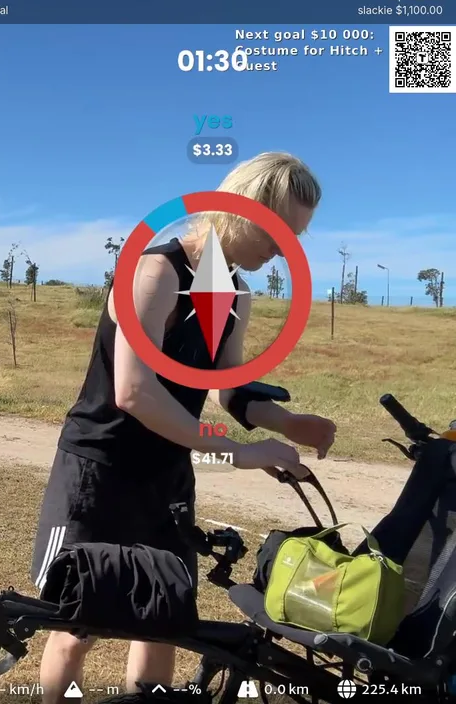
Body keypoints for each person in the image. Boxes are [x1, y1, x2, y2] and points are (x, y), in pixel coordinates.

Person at [29, 151, 339, 704]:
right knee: (78, 623)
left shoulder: (236, 296)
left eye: (295, 237)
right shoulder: (155, 272)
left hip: (167, 476)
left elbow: (230, 390)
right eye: (279, 231)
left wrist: (289, 423)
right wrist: (237, 452)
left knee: (162, 618)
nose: (285, 248)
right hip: (100, 470)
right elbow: (134, 392)